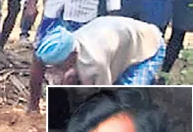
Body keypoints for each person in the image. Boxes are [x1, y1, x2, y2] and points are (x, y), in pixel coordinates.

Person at [35, 17, 165, 86]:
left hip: (148, 46)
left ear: (72, 56)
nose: (56, 70)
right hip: (122, 48)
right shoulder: (70, 43)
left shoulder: (95, 62)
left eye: (58, 66)